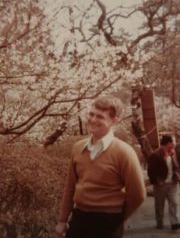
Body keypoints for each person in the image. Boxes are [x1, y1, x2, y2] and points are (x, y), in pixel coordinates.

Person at [55, 95, 146, 238]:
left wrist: (119, 219)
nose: (93, 120)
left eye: (100, 117)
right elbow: (70, 186)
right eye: (91, 114)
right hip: (79, 218)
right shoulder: (78, 148)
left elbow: (138, 194)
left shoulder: (124, 152)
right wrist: (62, 220)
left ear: (114, 120)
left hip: (108, 222)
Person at [147, 134, 180, 233]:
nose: (175, 143)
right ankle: (159, 222)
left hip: (172, 183)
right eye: (174, 141)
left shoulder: (173, 153)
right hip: (160, 185)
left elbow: (176, 166)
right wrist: (156, 181)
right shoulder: (155, 155)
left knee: (174, 203)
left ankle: (175, 224)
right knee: (159, 206)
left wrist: (177, 174)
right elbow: (151, 171)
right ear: (168, 143)